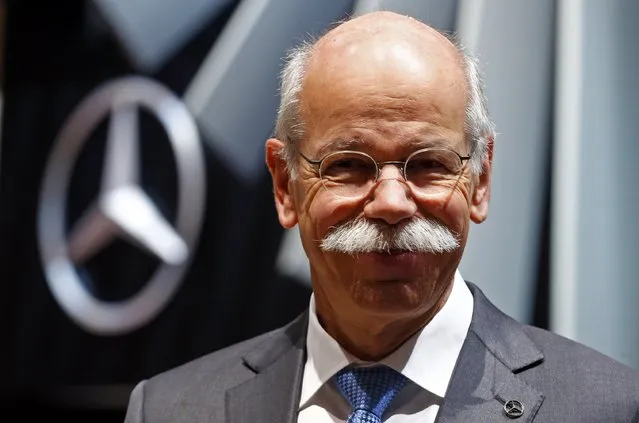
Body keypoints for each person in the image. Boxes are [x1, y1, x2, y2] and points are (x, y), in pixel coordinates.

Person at [123, 11, 639, 423]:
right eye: (347, 165)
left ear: (480, 181)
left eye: (430, 164)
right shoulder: (170, 411)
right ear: (285, 185)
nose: (392, 203)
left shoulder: (607, 409)